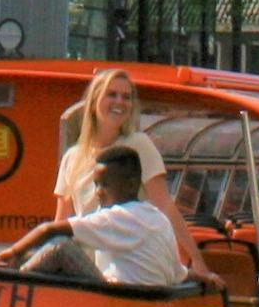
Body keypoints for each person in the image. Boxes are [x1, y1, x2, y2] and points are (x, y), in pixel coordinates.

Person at [0, 145, 191, 289]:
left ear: (131, 185)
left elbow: (49, 229)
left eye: (105, 185)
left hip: (118, 301)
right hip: (149, 304)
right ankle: (6, 265)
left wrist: (14, 251)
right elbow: (178, 273)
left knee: (60, 247)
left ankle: (10, 285)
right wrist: (203, 278)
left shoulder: (117, 217)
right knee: (65, 252)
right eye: (96, 184)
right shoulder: (159, 219)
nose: (98, 192)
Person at [56, 66, 183, 239]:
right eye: (112, 94)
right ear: (94, 101)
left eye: (126, 97)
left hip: (129, 251)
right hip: (88, 253)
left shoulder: (138, 144)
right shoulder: (72, 157)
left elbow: (164, 205)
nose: (120, 102)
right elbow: (61, 221)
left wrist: (193, 254)